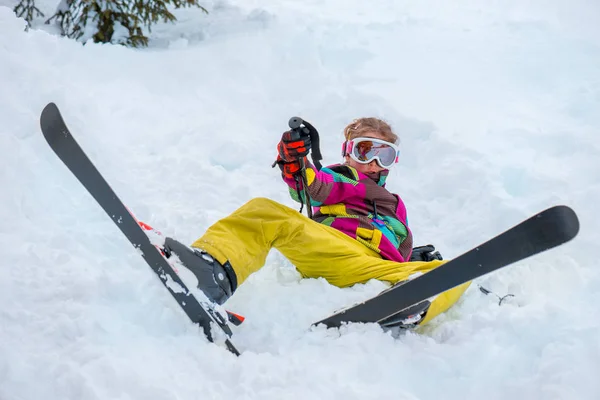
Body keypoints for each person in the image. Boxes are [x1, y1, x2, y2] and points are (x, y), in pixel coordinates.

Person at [162, 117, 471, 328]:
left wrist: (415, 259)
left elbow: (400, 253)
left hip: (376, 269)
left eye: (384, 154)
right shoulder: (342, 177)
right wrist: (296, 161)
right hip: (332, 250)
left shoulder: (396, 207)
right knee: (265, 211)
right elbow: (312, 185)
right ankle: (212, 270)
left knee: (459, 270)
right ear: (349, 153)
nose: (374, 161)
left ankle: (410, 303)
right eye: (365, 150)